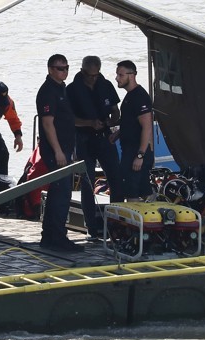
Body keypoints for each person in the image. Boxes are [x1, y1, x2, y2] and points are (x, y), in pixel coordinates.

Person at [67, 55, 122, 240]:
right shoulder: (72, 90)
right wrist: (89, 123)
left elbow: (116, 110)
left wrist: (110, 120)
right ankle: (92, 229)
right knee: (87, 183)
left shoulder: (105, 85)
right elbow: (69, 119)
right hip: (83, 139)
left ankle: (116, 226)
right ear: (82, 71)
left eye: (96, 75)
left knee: (116, 178)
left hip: (104, 138)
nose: (93, 78)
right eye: (89, 75)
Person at [36, 54, 83, 252]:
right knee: (62, 193)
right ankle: (57, 236)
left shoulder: (61, 88)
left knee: (58, 191)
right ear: (50, 69)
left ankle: (49, 236)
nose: (64, 71)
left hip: (65, 147)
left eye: (66, 68)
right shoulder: (48, 91)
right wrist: (58, 151)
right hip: (56, 150)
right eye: (59, 68)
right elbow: (47, 124)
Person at [114, 60, 154, 201]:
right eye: (117, 74)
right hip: (129, 149)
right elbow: (131, 122)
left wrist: (140, 156)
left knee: (132, 193)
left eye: (120, 75)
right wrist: (117, 134)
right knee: (143, 190)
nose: (117, 78)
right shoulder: (129, 96)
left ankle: (139, 221)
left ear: (131, 75)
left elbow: (147, 126)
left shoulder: (140, 96)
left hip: (136, 152)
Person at [0, 81, 23, 178]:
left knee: (3, 154)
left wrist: (18, 136)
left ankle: (1, 184)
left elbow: (13, 119)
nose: (1, 105)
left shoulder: (8, 103)